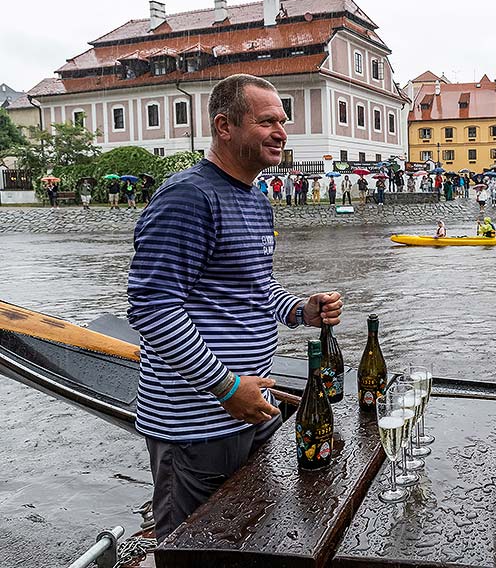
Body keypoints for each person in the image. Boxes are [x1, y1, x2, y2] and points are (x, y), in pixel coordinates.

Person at [127, 74, 344, 542]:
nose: (282, 132)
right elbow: (152, 307)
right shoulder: (188, 196)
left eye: (282, 121)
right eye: (267, 121)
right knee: (193, 545)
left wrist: (302, 312)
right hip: (196, 425)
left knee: (248, 536)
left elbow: (258, 291)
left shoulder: (256, 200)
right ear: (224, 127)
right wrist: (226, 387)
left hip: (253, 410)